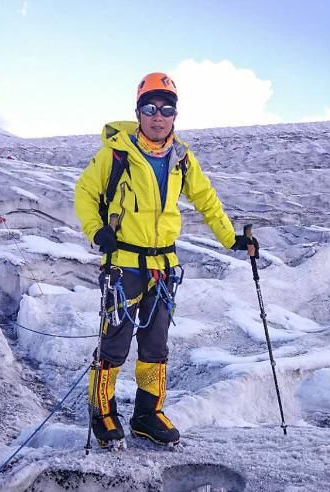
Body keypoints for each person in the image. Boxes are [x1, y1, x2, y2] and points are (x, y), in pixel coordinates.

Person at [74, 72, 258, 447]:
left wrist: (230, 239)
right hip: (123, 264)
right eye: (150, 108)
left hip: (162, 267)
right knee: (115, 343)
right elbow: (85, 191)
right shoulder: (117, 152)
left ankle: (147, 413)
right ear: (138, 111)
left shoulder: (181, 157)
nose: (158, 116)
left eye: (166, 109)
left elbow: (206, 199)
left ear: (175, 115)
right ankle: (102, 410)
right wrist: (96, 231)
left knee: (156, 345)